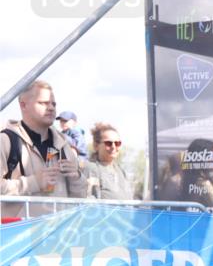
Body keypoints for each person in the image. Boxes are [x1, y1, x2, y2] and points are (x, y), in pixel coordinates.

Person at [1, 80, 87, 218]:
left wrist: (77, 178)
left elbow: (79, 199)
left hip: (59, 235)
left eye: (53, 103)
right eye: (43, 103)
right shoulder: (5, 141)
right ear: (23, 105)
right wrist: (33, 182)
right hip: (20, 236)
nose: (51, 108)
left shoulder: (64, 146)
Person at [84, 123, 133, 200]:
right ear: (96, 146)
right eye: (108, 143)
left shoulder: (121, 171)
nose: (113, 147)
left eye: (117, 143)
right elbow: (89, 202)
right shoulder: (91, 168)